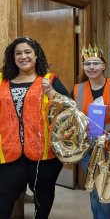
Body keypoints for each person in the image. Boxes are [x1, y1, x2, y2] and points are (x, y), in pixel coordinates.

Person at [0, 37, 69, 219]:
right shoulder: (1, 80)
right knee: (4, 198)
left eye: (28, 52)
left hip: (44, 153)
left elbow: (70, 109)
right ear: (12, 57)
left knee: (43, 199)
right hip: (8, 152)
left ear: (36, 55)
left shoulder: (49, 80)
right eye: (18, 53)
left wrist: (52, 93)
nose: (23, 56)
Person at [72, 45, 110, 219]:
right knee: (92, 189)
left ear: (104, 66)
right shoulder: (77, 89)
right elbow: (72, 117)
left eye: (96, 63)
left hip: (109, 147)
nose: (91, 67)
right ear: (83, 67)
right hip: (88, 149)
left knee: (105, 191)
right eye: (87, 64)